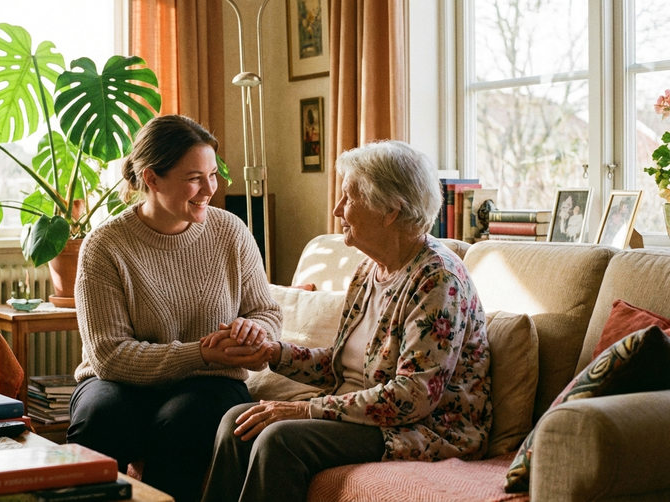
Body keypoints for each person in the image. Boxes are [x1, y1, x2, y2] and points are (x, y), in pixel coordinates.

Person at [201, 140, 492, 502]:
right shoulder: (369, 270)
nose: (338, 209)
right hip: (364, 413)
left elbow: (413, 396)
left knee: (280, 439)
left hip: (425, 429)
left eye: (349, 198)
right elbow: (343, 364)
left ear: (390, 210)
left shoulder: (438, 279)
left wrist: (305, 408)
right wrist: (273, 352)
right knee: (237, 422)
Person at [67, 115, 283, 502]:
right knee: (101, 417)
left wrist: (256, 331)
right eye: (194, 178)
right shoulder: (105, 246)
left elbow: (265, 311)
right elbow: (109, 356)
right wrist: (200, 352)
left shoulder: (231, 232)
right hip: (121, 381)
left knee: (185, 421)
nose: (210, 189)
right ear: (151, 179)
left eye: (212, 175)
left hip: (211, 381)